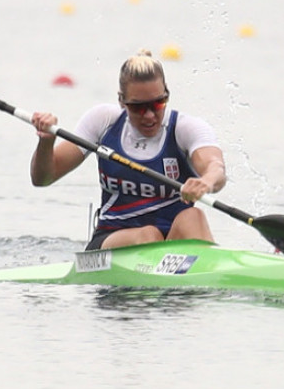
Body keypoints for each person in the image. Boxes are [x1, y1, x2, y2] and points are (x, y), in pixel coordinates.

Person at [30, 51, 227, 250]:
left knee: (193, 216)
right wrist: (46, 142)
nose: (149, 116)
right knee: (149, 235)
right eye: (138, 107)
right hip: (111, 239)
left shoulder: (186, 128)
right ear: (121, 101)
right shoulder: (103, 121)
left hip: (172, 240)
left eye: (158, 103)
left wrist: (205, 182)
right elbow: (43, 178)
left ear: (167, 94)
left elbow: (215, 167)